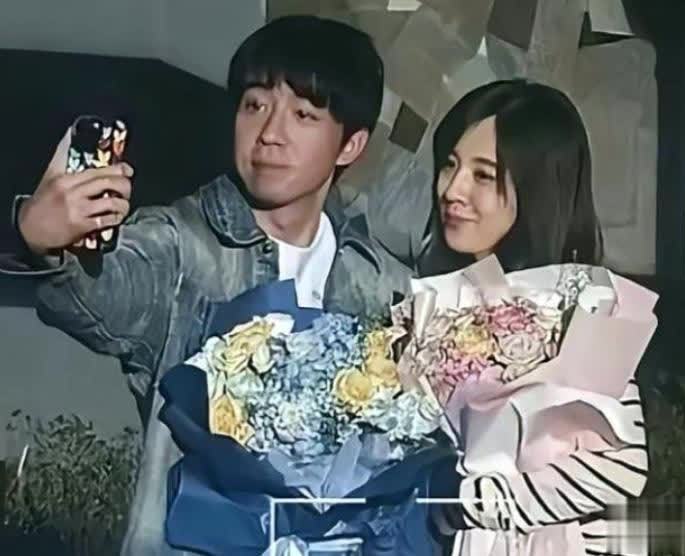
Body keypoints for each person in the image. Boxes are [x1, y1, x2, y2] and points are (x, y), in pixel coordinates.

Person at [0, 15, 413, 555]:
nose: (270, 133)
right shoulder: (180, 245)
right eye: (254, 105)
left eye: (304, 114)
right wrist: (42, 241)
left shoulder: (382, 284)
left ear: (350, 144)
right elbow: (98, 291)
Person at [417, 80, 650, 555]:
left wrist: (483, 501)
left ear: (537, 189)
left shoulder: (584, 308)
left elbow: (622, 466)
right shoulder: (432, 304)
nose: (453, 190)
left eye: (484, 175)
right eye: (450, 165)